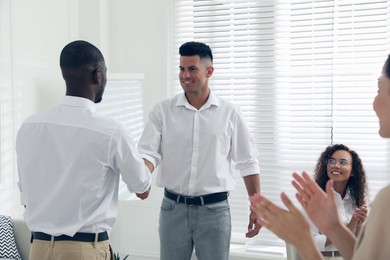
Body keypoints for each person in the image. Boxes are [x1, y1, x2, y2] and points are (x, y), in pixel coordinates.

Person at [15, 40, 152, 260]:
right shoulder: (111, 132)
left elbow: (26, 195)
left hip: (38, 250)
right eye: (105, 73)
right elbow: (142, 189)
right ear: (98, 75)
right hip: (84, 251)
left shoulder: (29, 128)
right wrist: (148, 159)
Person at [249, 54, 390, 260]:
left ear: (353, 171)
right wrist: (334, 227)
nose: (374, 103)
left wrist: (302, 239)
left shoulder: (382, 202)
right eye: (332, 161)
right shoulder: (320, 201)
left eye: (379, 89)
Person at [138, 41, 261, 260]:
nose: (185, 75)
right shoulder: (163, 111)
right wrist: (143, 176)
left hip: (215, 211)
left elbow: (248, 162)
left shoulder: (230, 113)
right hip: (172, 210)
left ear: (209, 71)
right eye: (182, 69)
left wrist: (257, 207)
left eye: (192, 69)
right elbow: (149, 153)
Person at [309, 144, 368, 258]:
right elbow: (312, 242)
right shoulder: (314, 199)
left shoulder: (356, 200)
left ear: (352, 172)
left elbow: (358, 244)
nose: (336, 165)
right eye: (332, 161)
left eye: (343, 162)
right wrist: (350, 226)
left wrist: (359, 224)